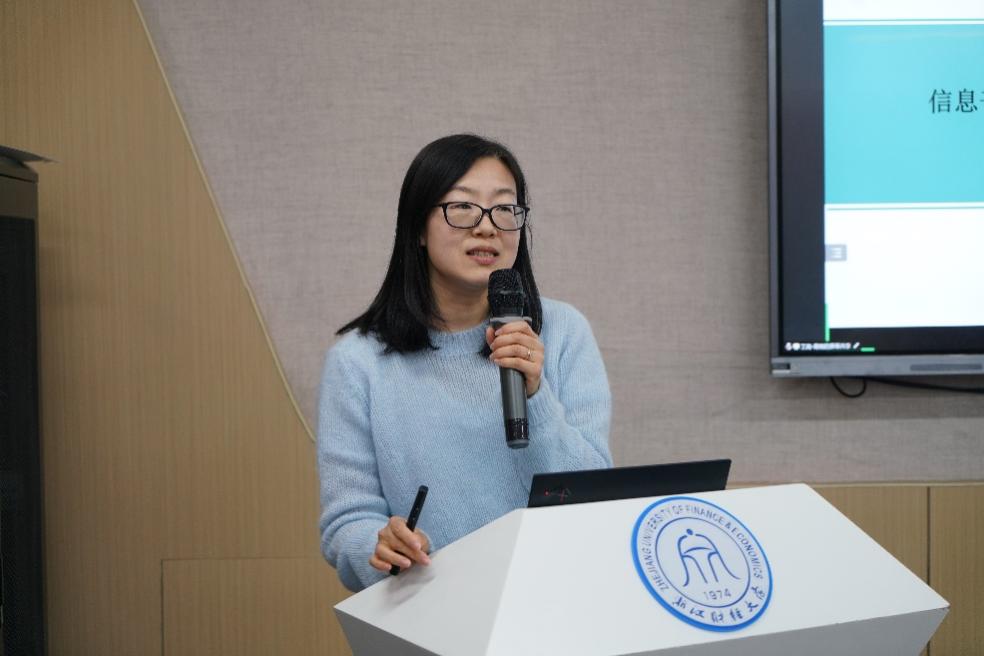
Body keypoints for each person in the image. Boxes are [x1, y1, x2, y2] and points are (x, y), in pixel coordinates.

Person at [317, 134, 612, 592]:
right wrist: (382, 548)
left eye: (504, 208)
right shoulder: (358, 363)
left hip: (556, 598)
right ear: (417, 227)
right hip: (431, 607)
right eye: (462, 207)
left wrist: (535, 396)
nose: (487, 228)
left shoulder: (562, 333)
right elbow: (347, 522)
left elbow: (595, 497)